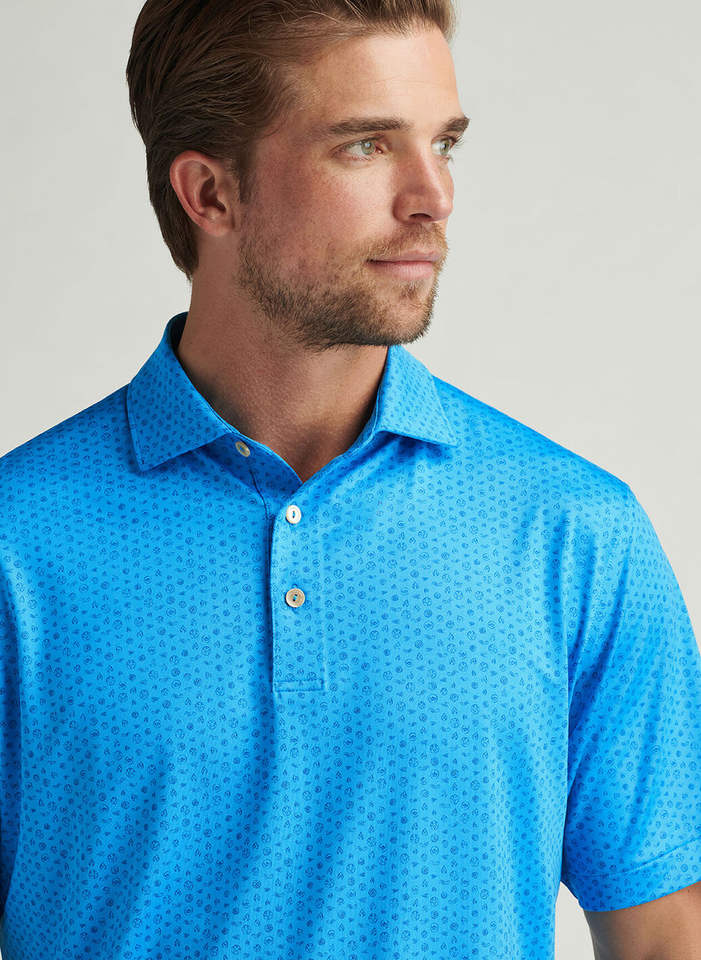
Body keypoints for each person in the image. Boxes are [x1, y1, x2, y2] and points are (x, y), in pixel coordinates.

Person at [0, 1, 699, 958]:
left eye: (443, 143)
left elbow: (664, 935)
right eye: (365, 146)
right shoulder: (19, 544)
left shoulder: (573, 533)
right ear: (209, 193)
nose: (432, 195)